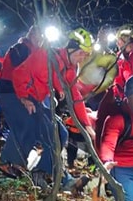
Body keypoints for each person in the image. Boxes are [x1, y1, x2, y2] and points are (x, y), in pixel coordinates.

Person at [12, 28, 96, 190]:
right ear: (70, 49)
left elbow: (76, 97)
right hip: (24, 97)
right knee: (53, 134)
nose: (81, 58)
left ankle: (59, 177)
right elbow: (20, 74)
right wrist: (23, 98)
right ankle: (44, 174)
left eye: (85, 55)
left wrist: (86, 125)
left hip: (38, 101)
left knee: (61, 133)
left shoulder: (69, 68)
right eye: (80, 53)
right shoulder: (47, 55)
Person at [0, 26, 38, 174]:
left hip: (14, 92)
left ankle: (16, 162)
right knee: (23, 122)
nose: (41, 40)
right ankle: (7, 161)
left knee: (26, 123)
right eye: (38, 36)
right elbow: (18, 73)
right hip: (8, 91)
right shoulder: (21, 48)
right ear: (31, 35)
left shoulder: (32, 52)